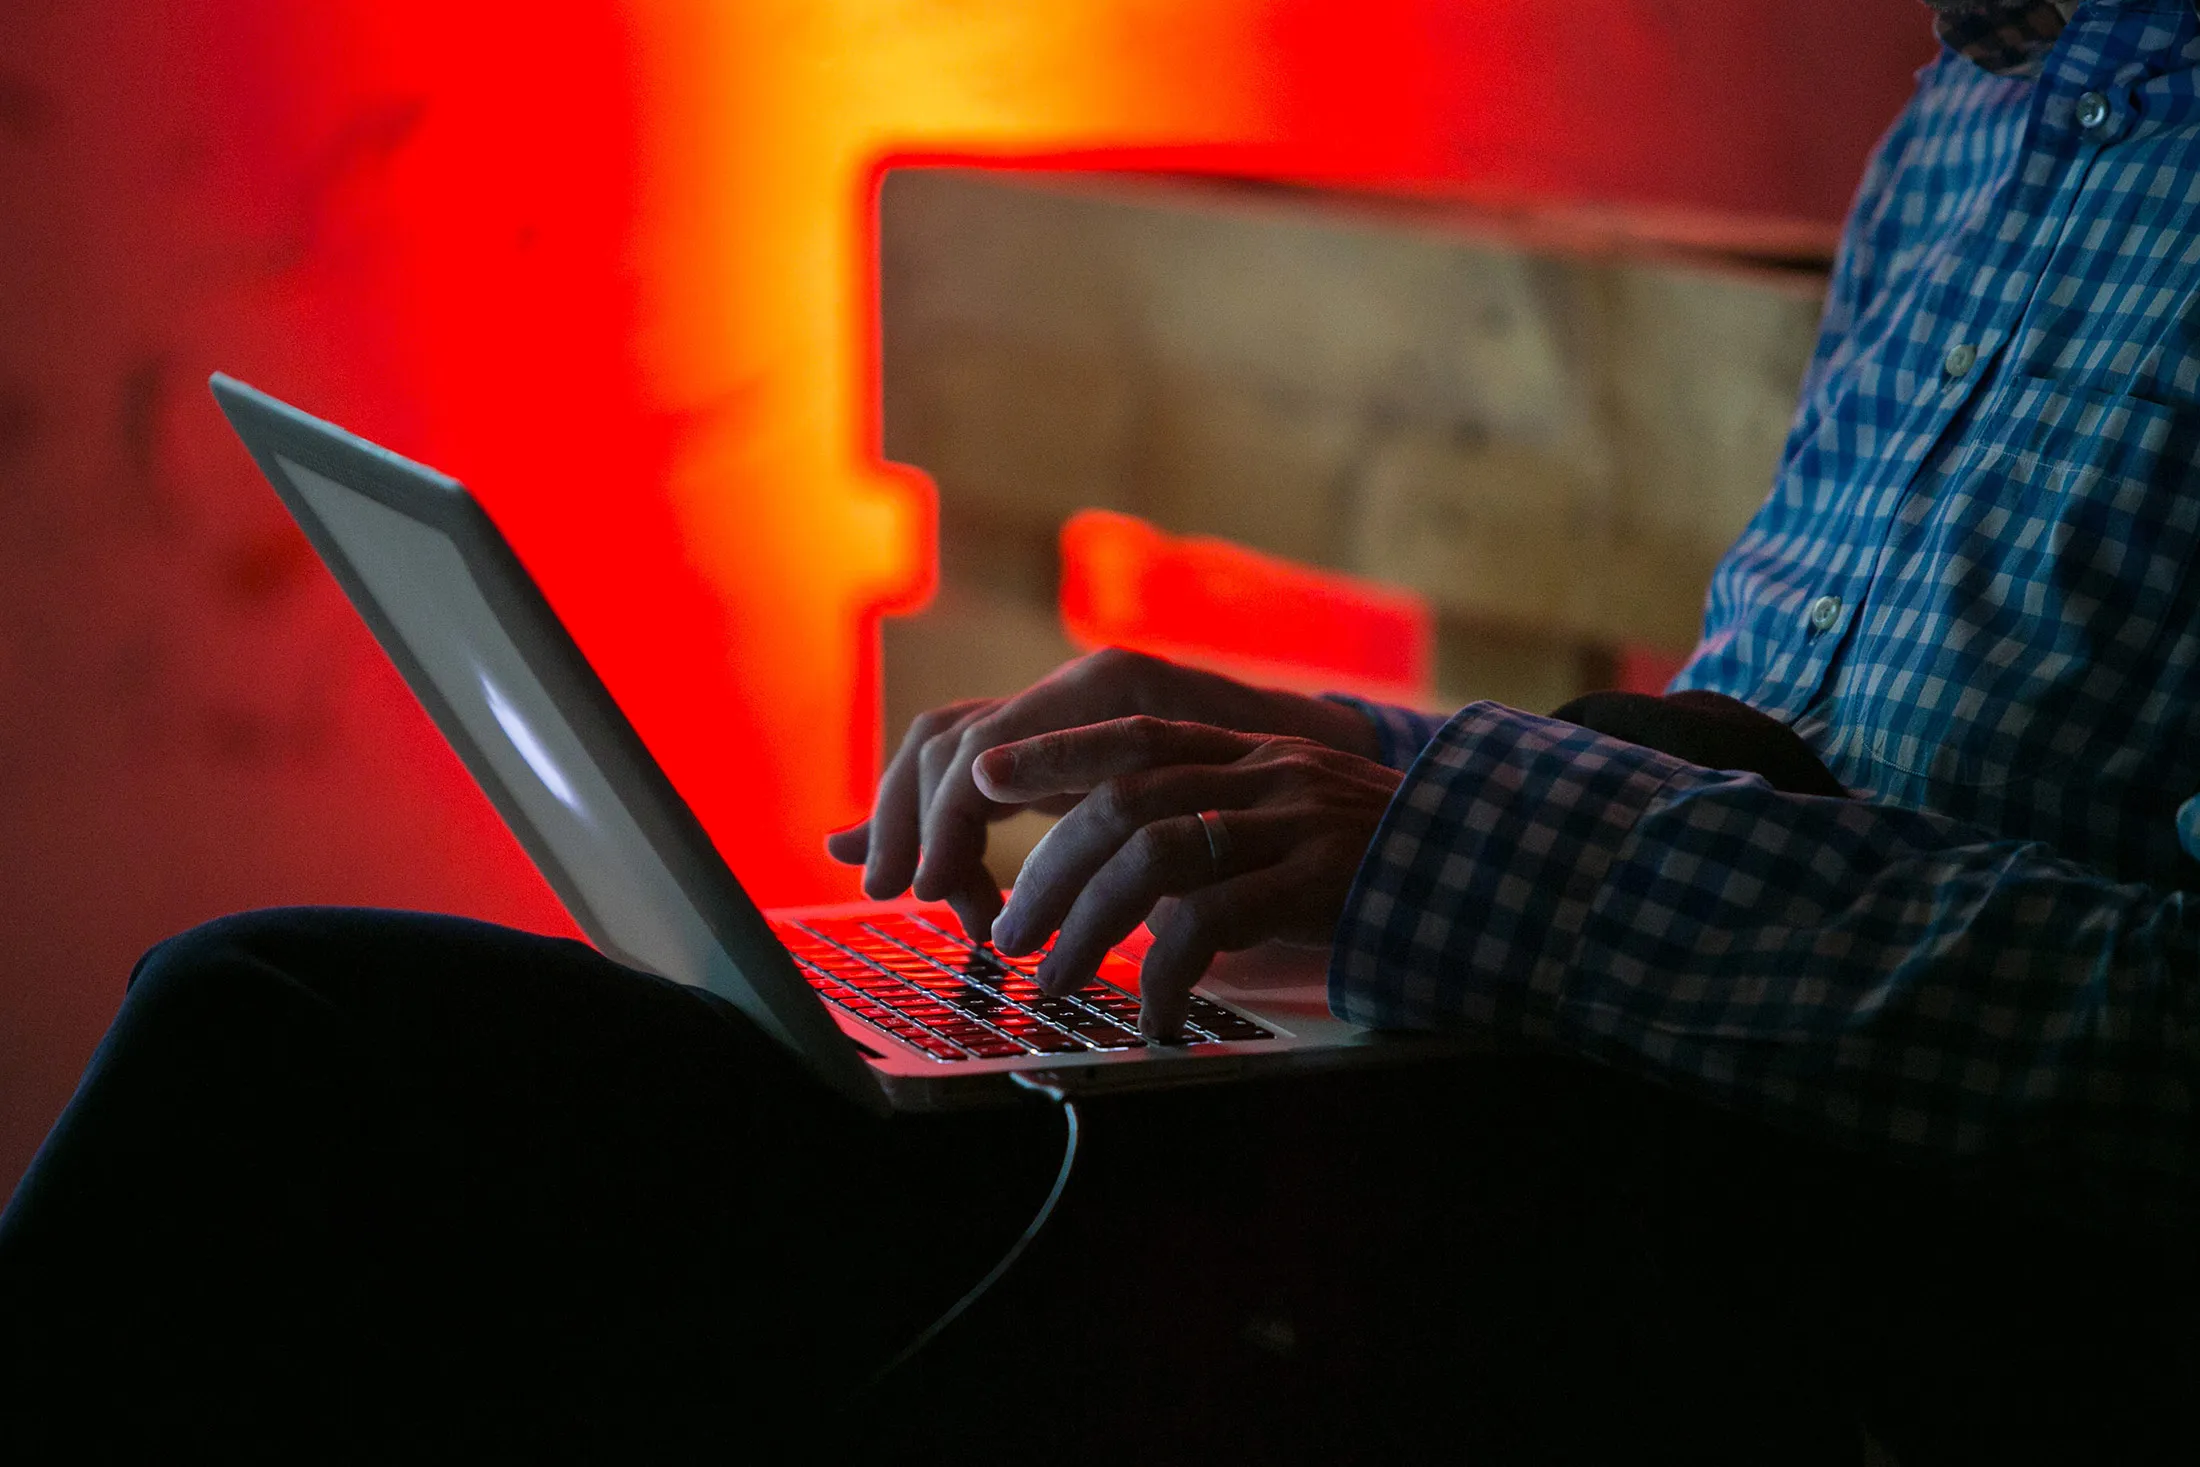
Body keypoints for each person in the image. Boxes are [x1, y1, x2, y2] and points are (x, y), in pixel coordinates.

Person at [5, 1, 2200, 1460]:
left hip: (1807, 1308)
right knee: (289, 1022)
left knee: (349, 1160)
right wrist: (1303, 770)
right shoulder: (1991, 103)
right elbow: (1784, 750)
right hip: (1536, 1120)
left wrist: (1449, 840)